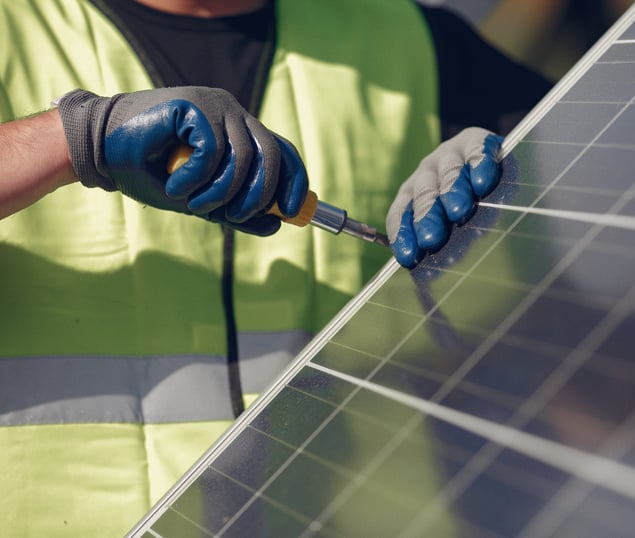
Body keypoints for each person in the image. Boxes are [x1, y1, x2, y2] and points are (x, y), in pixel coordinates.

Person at [0, 0, 552, 535]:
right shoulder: (14, 30)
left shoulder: (415, 40)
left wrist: (517, 173)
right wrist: (69, 138)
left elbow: (607, 196)